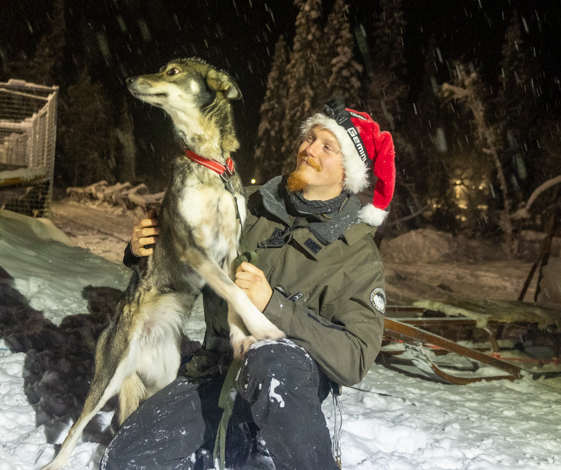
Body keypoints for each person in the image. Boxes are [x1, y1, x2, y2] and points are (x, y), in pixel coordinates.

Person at [101, 103, 396, 470]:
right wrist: (146, 248)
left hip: (286, 382)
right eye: (309, 138)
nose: (309, 149)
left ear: (348, 171)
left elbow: (354, 359)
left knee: (270, 358)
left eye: (327, 146)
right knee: (125, 460)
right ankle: (239, 436)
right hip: (220, 367)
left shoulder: (357, 254)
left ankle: (276, 442)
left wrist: (272, 304)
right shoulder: (251, 208)